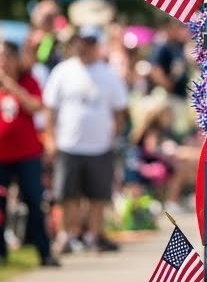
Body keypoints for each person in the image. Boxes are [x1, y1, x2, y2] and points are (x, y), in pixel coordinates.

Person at [43, 26, 129, 253]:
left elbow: (119, 111)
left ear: (96, 45)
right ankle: (65, 236)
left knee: (98, 196)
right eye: (80, 41)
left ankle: (96, 235)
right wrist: (51, 139)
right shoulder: (62, 71)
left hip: (100, 146)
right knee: (66, 195)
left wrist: (115, 134)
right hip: (68, 144)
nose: (84, 46)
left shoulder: (108, 74)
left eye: (89, 42)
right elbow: (50, 109)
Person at [0, 40, 58, 266]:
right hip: (2, 157)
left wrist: (10, 85)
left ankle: (44, 253)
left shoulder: (28, 81)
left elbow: (35, 106)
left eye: (6, 56)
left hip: (27, 155)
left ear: (16, 58)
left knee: (34, 202)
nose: (2, 62)